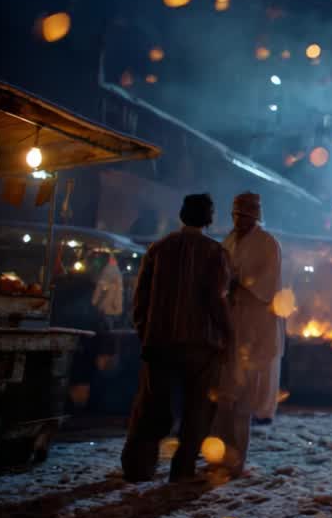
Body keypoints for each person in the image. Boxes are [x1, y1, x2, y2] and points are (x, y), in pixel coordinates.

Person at [121, 194, 232, 483]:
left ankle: (138, 468)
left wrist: (145, 331)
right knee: (197, 410)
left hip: (159, 343)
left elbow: (141, 297)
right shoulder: (215, 252)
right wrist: (228, 334)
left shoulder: (159, 248)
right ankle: (182, 470)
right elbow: (217, 300)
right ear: (209, 218)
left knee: (152, 407)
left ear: (182, 215)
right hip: (201, 346)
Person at [212, 192, 283, 478]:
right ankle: (218, 454)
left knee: (243, 398)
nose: (239, 220)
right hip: (230, 324)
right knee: (223, 396)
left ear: (255, 216)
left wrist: (240, 285)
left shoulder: (267, 243)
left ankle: (236, 459)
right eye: (236, 215)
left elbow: (268, 283)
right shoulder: (228, 240)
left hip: (254, 327)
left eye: (245, 216)